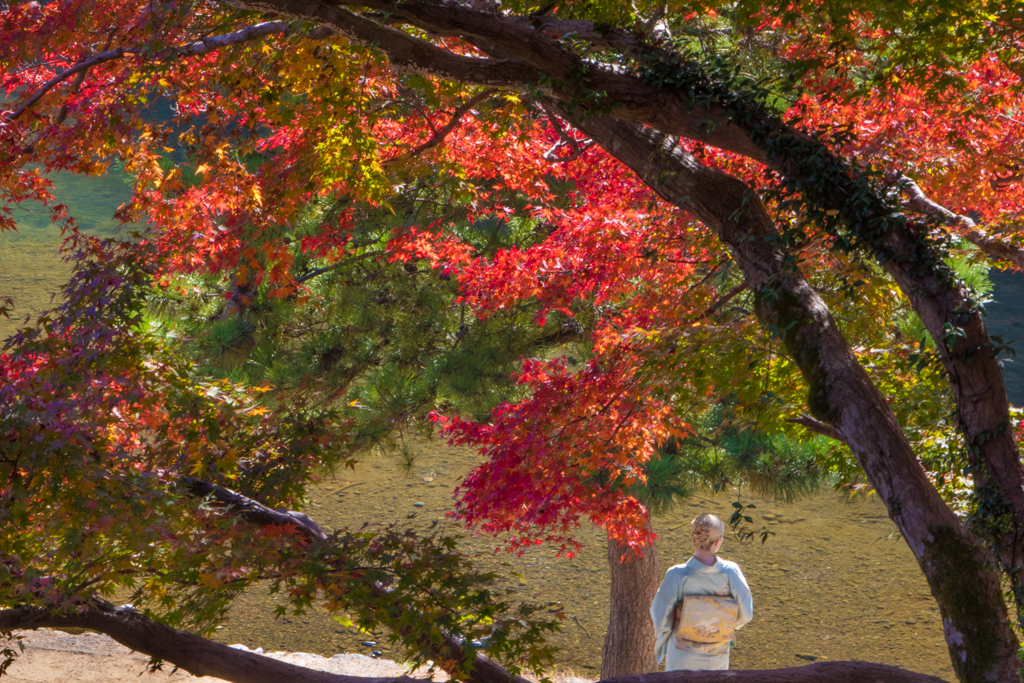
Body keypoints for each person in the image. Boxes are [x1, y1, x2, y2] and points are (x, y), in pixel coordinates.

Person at [649, 513, 753, 671]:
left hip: (681, 653)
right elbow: (746, 614)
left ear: (694, 538)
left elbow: (659, 616)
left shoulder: (677, 574)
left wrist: (673, 632)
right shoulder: (730, 572)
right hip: (716, 655)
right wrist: (723, 627)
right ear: (718, 542)